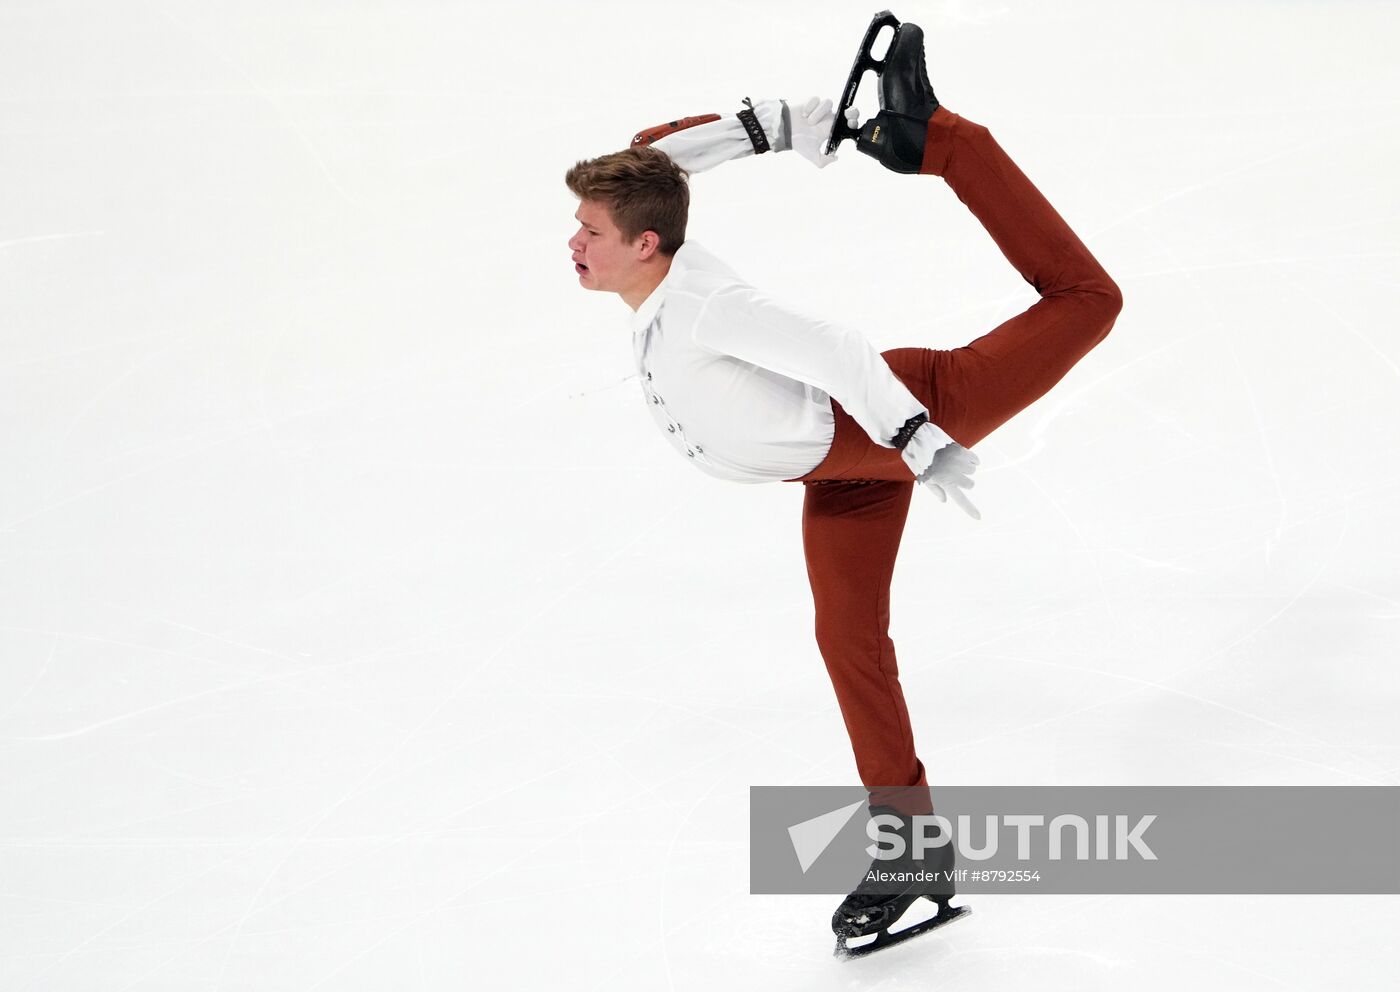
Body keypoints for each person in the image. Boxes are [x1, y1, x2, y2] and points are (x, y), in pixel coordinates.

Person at [564, 17, 1123, 950]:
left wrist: (918, 437)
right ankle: (913, 854)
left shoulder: (705, 302)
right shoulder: (657, 233)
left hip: (905, 409)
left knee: (1088, 302)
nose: (572, 243)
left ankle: (949, 142)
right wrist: (797, 124)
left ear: (647, 243)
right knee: (847, 640)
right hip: (840, 470)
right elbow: (657, 156)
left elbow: (834, 349)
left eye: (589, 232)